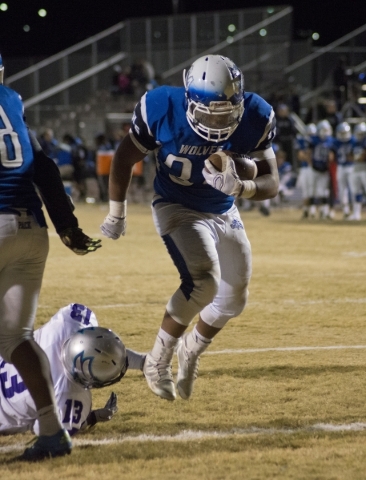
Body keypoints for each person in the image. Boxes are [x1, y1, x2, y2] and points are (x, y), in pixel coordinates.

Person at [100, 54, 279, 401]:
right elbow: (124, 157)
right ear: (189, 100)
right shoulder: (161, 106)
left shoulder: (257, 115)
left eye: (225, 112)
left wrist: (244, 187)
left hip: (224, 210)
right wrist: (116, 212)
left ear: (240, 103)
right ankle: (157, 361)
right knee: (202, 283)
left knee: (233, 300)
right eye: (208, 111)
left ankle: (191, 349)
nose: (216, 121)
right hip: (176, 206)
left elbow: (272, 181)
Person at [0, 55, 101, 460]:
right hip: (31, 228)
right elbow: (42, 165)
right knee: (15, 338)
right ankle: (51, 429)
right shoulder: (12, 100)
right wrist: (66, 224)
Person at [0, 303, 145, 437]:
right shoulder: (70, 393)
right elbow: (44, 431)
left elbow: (100, 349)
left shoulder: (69, 322)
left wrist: (143, 363)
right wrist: (93, 417)